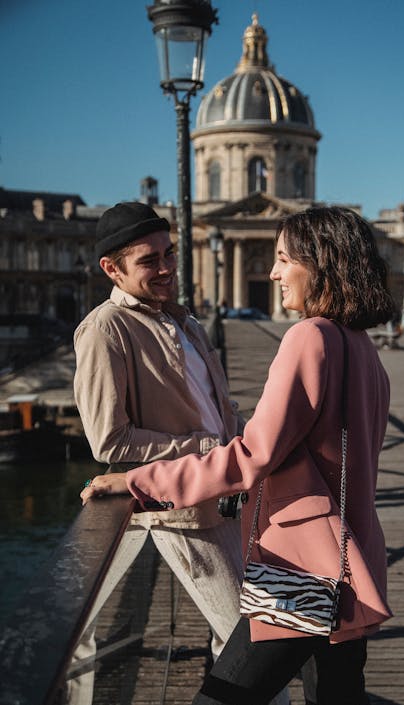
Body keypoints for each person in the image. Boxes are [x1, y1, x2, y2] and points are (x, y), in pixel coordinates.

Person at [81, 206, 395, 705]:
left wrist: (140, 482)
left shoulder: (308, 338)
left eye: (283, 259)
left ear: (319, 264)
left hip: (303, 566)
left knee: (223, 698)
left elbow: (251, 456)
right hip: (355, 558)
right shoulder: (362, 347)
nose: (272, 273)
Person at [70, 201, 270, 703]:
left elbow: (217, 410)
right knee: (253, 643)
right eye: (149, 261)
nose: (166, 269)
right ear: (111, 269)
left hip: (225, 494)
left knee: (244, 639)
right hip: (183, 511)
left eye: (170, 254)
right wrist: (212, 448)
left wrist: (255, 441)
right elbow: (109, 441)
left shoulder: (183, 319)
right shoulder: (105, 329)